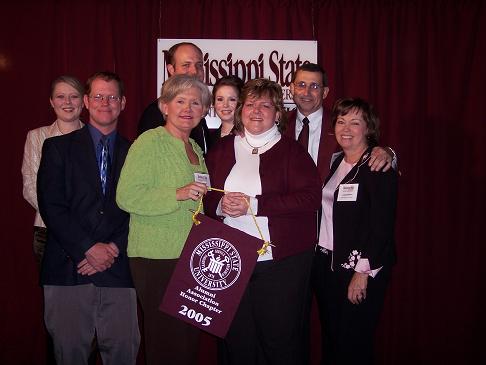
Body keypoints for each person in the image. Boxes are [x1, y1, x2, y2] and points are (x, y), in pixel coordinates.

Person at [204, 78, 322, 365]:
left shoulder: (293, 152)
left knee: (279, 341)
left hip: (281, 263)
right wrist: (219, 204)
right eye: (251, 104)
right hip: (231, 260)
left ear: (278, 114)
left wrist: (254, 205)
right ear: (241, 109)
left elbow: (310, 199)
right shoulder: (220, 150)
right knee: (238, 340)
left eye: (266, 105)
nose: (257, 110)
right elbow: (204, 196)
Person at [37, 71, 140, 365]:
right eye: (97, 96)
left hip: (119, 270)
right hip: (69, 269)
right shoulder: (57, 148)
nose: (104, 103)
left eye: (111, 97)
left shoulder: (136, 152)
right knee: (68, 356)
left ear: (122, 103)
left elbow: (140, 210)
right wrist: (88, 248)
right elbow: (52, 207)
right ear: (86, 101)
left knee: (123, 354)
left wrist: (113, 248)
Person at [116, 74, 211, 365]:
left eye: (196, 102)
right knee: (166, 343)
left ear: (204, 111)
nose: (188, 108)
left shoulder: (195, 149)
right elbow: (127, 196)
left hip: (192, 260)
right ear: (164, 106)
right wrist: (177, 194)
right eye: (180, 100)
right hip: (156, 258)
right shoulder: (150, 141)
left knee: (187, 342)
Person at [315, 98, 398, 364]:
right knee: (333, 338)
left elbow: (381, 226)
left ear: (368, 128)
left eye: (355, 122)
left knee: (353, 343)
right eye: (341, 121)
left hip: (359, 269)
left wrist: (362, 273)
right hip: (328, 265)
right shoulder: (337, 161)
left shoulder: (377, 165)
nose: (346, 128)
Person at [286, 63, 395, 182]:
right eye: (301, 85)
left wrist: (388, 152)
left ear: (325, 92)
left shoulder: (341, 123)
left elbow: (374, 151)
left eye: (315, 86)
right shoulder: (278, 125)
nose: (306, 92)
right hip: (288, 199)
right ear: (292, 88)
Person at [22, 75, 84, 269]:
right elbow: (31, 188)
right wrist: (63, 221)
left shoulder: (96, 138)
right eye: (60, 96)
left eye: (74, 96)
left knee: (87, 295)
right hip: (48, 231)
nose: (67, 102)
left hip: (88, 231)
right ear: (51, 101)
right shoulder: (36, 137)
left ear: (84, 101)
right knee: (54, 297)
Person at [137, 41, 211, 154]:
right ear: (171, 70)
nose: (194, 71)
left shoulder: (198, 117)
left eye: (199, 65)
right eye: (186, 65)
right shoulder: (154, 114)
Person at [209, 75, 244, 144]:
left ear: (241, 102)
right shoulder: (209, 139)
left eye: (232, 99)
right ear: (213, 103)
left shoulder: (249, 136)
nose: (225, 105)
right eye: (220, 99)